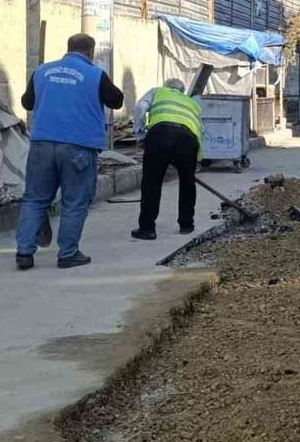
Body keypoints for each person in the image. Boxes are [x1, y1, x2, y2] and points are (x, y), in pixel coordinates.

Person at [14, 34, 124, 270]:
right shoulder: (95, 75)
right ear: (90, 52)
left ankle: (24, 252)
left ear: (68, 48)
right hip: (78, 147)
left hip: (42, 144)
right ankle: (68, 253)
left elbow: (27, 102)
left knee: (34, 199)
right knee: (74, 202)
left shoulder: (42, 71)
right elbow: (117, 101)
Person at [131, 78, 203, 240]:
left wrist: (140, 134)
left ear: (167, 87)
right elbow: (200, 130)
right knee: (187, 183)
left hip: (160, 135)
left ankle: (147, 228)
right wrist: (196, 159)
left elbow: (140, 107)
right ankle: (186, 224)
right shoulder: (191, 102)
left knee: (151, 183)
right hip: (187, 139)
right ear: (182, 91)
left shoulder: (157, 91)